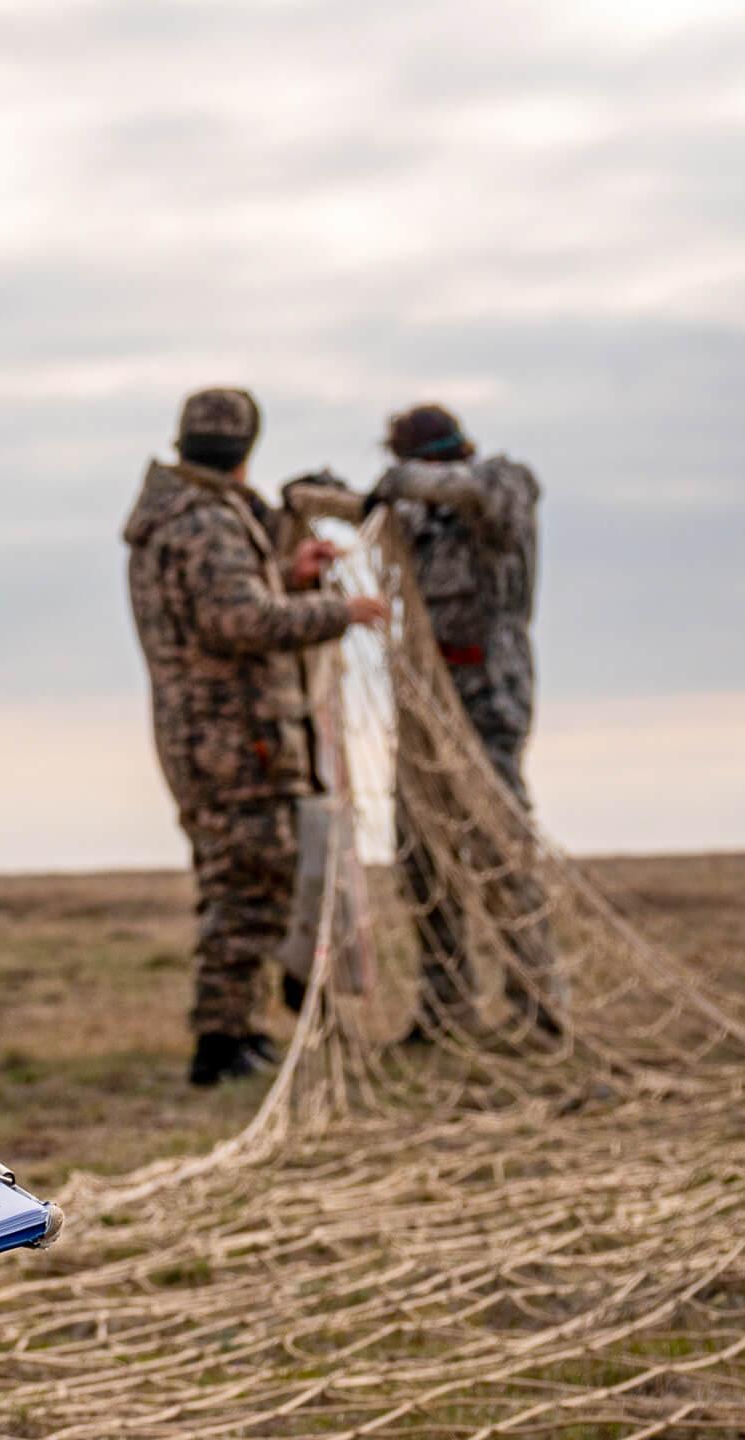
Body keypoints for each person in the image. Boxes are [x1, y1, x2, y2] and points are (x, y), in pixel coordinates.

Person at [123, 389, 389, 1086]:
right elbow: (238, 621)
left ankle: (236, 1030)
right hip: (235, 739)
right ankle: (221, 1041)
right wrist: (337, 609)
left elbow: (229, 604)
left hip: (220, 736)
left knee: (244, 881)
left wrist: (286, 577)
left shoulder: (179, 518)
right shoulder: (207, 522)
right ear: (246, 451)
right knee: (246, 885)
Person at [294, 405, 556, 1040]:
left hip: (488, 689)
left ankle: (539, 1011)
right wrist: (315, 494)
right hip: (424, 702)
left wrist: (398, 481)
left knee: (498, 845)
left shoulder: (504, 482)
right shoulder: (412, 510)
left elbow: (466, 492)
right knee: (421, 853)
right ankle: (446, 1012)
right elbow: (368, 508)